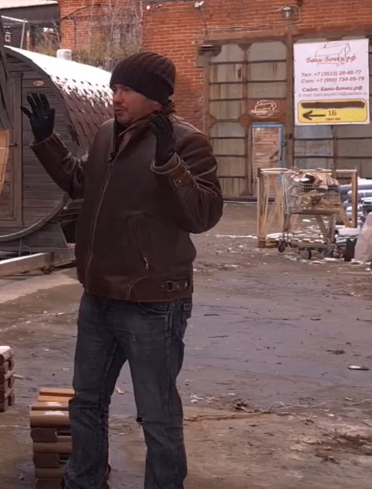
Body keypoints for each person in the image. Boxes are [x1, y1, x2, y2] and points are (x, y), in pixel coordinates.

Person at [22, 51, 224, 489]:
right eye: (115, 88)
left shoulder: (188, 142)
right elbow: (80, 183)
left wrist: (169, 163)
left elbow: (203, 215)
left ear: (155, 97)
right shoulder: (105, 134)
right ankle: (85, 480)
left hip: (153, 301)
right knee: (86, 402)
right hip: (99, 295)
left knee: (157, 413)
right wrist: (47, 141)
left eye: (127, 89)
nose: (117, 97)